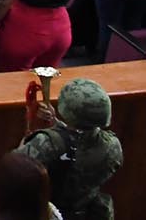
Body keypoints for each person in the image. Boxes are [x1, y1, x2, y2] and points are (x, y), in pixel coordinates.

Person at [18, 75, 124, 220]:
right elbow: (80, 142)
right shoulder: (113, 145)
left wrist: (32, 130)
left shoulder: (45, 143)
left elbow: (16, 170)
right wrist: (57, 124)